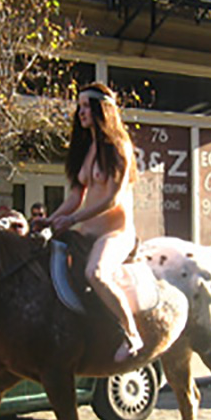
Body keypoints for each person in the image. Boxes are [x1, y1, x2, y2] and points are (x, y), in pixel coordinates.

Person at [36, 82, 141, 363]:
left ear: (101, 109)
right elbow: (75, 196)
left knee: (96, 273)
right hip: (87, 231)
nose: (80, 112)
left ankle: (132, 335)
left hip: (115, 233)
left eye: (86, 106)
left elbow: (112, 200)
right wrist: (52, 219)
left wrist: (71, 219)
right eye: (79, 106)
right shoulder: (86, 148)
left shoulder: (120, 148)